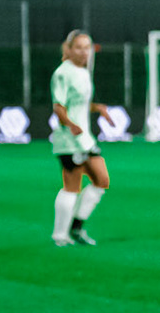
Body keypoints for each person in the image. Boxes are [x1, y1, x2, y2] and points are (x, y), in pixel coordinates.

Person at [49, 30, 116, 246]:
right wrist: (71, 125)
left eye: (87, 47)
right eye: (79, 47)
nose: (83, 52)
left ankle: (76, 228)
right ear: (68, 49)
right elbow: (59, 108)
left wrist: (99, 109)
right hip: (68, 140)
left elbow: (78, 104)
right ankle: (60, 235)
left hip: (86, 139)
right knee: (72, 186)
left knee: (101, 180)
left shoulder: (84, 72)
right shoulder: (62, 73)